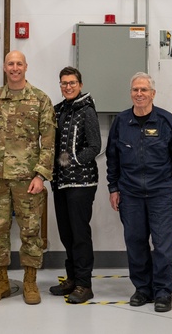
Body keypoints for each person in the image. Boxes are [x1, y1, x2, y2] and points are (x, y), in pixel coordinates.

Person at [0, 50, 56, 305]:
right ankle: (0, 281)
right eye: (10, 63)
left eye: (18, 63)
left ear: (26, 66)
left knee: (31, 231)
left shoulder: (40, 99)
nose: (14, 68)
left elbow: (48, 142)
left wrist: (41, 175)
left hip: (27, 178)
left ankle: (30, 282)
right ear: (4, 67)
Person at [107, 73, 172, 313]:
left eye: (144, 89)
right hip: (130, 194)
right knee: (135, 243)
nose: (139, 94)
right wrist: (113, 188)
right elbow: (113, 158)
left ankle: (163, 291)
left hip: (162, 193)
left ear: (153, 93)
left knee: (164, 245)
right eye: (135, 90)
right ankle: (142, 288)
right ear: (130, 93)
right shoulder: (121, 122)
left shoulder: (166, 121)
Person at [48, 67, 101, 304]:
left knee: (80, 234)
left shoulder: (87, 110)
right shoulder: (59, 110)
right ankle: (71, 278)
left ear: (80, 84)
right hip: (60, 183)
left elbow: (94, 146)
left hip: (82, 183)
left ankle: (84, 284)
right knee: (66, 233)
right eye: (63, 83)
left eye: (71, 83)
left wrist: (72, 161)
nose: (67, 86)